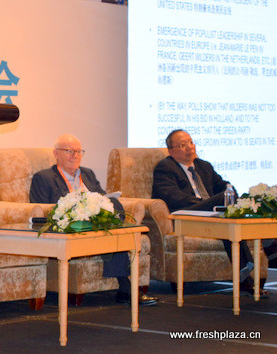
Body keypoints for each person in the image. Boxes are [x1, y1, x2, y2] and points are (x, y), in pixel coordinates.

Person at [30, 134, 158, 306]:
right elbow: (42, 210)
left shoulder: (88, 174)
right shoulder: (43, 177)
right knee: (113, 235)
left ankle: (126, 288)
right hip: (70, 228)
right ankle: (126, 289)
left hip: (95, 226)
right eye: (69, 151)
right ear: (56, 153)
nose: (75, 155)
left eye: (79, 151)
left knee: (114, 206)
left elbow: (102, 197)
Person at [152, 129, 268, 296]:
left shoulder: (203, 166)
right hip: (186, 214)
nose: (190, 147)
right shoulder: (165, 168)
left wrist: (228, 192)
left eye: (191, 142)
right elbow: (173, 197)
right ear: (171, 151)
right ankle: (259, 259)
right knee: (223, 199)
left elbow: (224, 185)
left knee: (229, 217)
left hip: (210, 215)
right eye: (183, 145)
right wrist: (204, 203)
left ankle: (245, 278)